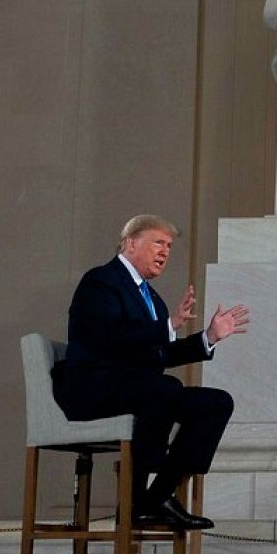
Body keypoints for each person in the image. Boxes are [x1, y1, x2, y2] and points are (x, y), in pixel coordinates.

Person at [53, 215, 250, 531]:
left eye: (169, 246)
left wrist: (208, 338)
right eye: (158, 242)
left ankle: (156, 496)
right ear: (131, 243)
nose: (165, 252)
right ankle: (138, 495)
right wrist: (167, 326)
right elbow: (108, 340)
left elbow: (159, 353)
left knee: (214, 403)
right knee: (163, 387)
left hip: (138, 391)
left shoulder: (152, 299)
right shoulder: (100, 281)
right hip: (93, 389)